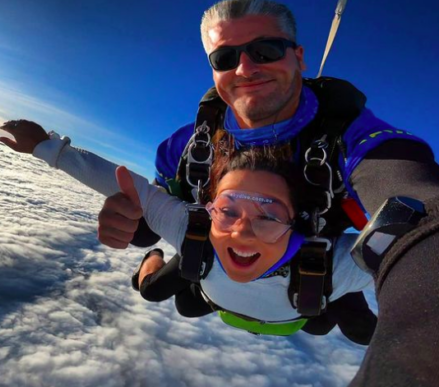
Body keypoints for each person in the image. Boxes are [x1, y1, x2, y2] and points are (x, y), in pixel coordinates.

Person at [94, 1, 439, 386]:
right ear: (213, 69)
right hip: (217, 258)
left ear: (300, 57)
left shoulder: (354, 140)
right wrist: (133, 221)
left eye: (266, 50)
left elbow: (418, 207)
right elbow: (157, 208)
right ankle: (152, 262)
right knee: (169, 295)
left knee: (339, 324)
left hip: (312, 267)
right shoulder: (188, 147)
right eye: (225, 57)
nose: (245, 69)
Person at [0, 120, 376, 343]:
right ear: (209, 209)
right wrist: (46, 147)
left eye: (269, 216)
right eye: (228, 210)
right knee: (155, 291)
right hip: (221, 288)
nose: (242, 231)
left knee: (355, 329)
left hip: (294, 301)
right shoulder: (191, 228)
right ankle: (152, 258)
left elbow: (414, 253)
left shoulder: (335, 263)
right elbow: (127, 185)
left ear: (299, 221)